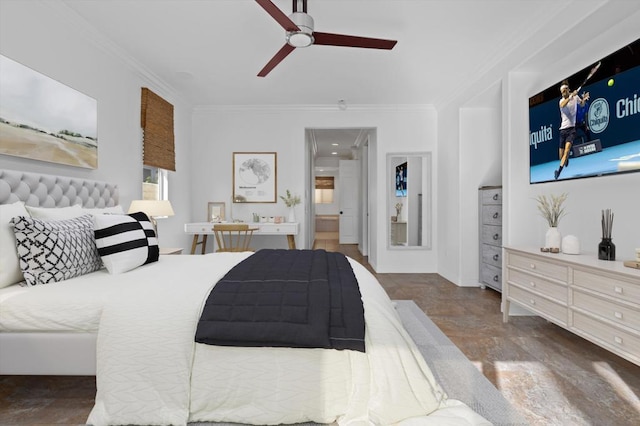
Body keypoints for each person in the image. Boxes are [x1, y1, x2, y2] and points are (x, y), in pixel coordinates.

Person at [555, 83, 589, 180]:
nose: (563, 92)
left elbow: (581, 104)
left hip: (571, 130)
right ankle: (565, 160)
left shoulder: (575, 97)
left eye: (565, 90)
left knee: (566, 151)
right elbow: (562, 105)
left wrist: (584, 99)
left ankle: (558, 172)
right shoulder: (561, 101)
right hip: (562, 130)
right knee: (561, 157)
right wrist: (571, 96)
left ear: (568, 89)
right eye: (562, 92)